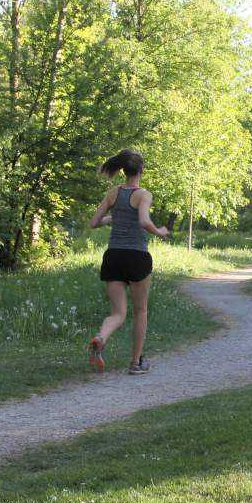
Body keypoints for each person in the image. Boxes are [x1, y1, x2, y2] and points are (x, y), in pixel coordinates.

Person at [87, 149, 169, 375]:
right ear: (141, 170)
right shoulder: (144, 194)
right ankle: (135, 363)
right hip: (136, 256)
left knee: (118, 313)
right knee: (140, 310)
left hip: (113, 256)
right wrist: (160, 231)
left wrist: (112, 218)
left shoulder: (113, 193)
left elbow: (94, 222)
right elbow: (143, 221)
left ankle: (100, 337)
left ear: (123, 170)